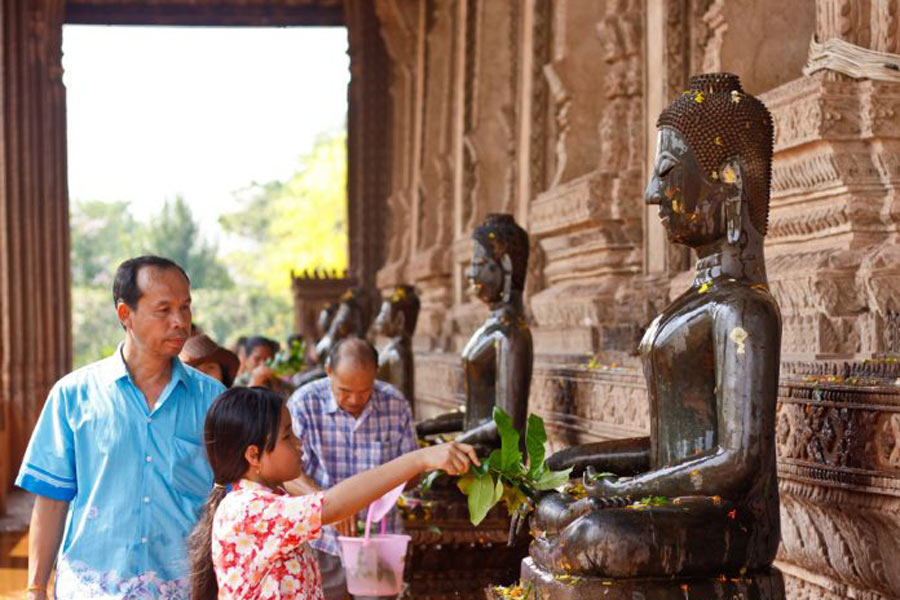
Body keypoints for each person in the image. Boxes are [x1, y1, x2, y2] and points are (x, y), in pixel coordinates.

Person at [16, 255, 226, 599]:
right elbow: (52, 500)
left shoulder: (212, 400)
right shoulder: (73, 396)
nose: (180, 321)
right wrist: (36, 587)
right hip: (92, 588)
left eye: (185, 307)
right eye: (164, 310)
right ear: (125, 314)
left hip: (183, 588)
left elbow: (231, 497)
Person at [189, 386, 478, 600]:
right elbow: (334, 504)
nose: (300, 444)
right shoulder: (248, 509)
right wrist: (420, 459)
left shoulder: (269, 498)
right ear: (253, 455)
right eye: (287, 436)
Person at [287, 337, 418, 600]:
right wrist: (331, 505)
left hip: (379, 543)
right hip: (321, 540)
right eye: (345, 390)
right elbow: (288, 474)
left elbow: (413, 469)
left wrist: (388, 488)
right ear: (328, 372)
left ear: (376, 375)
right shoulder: (304, 403)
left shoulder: (395, 405)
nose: (355, 399)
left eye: (364, 391)